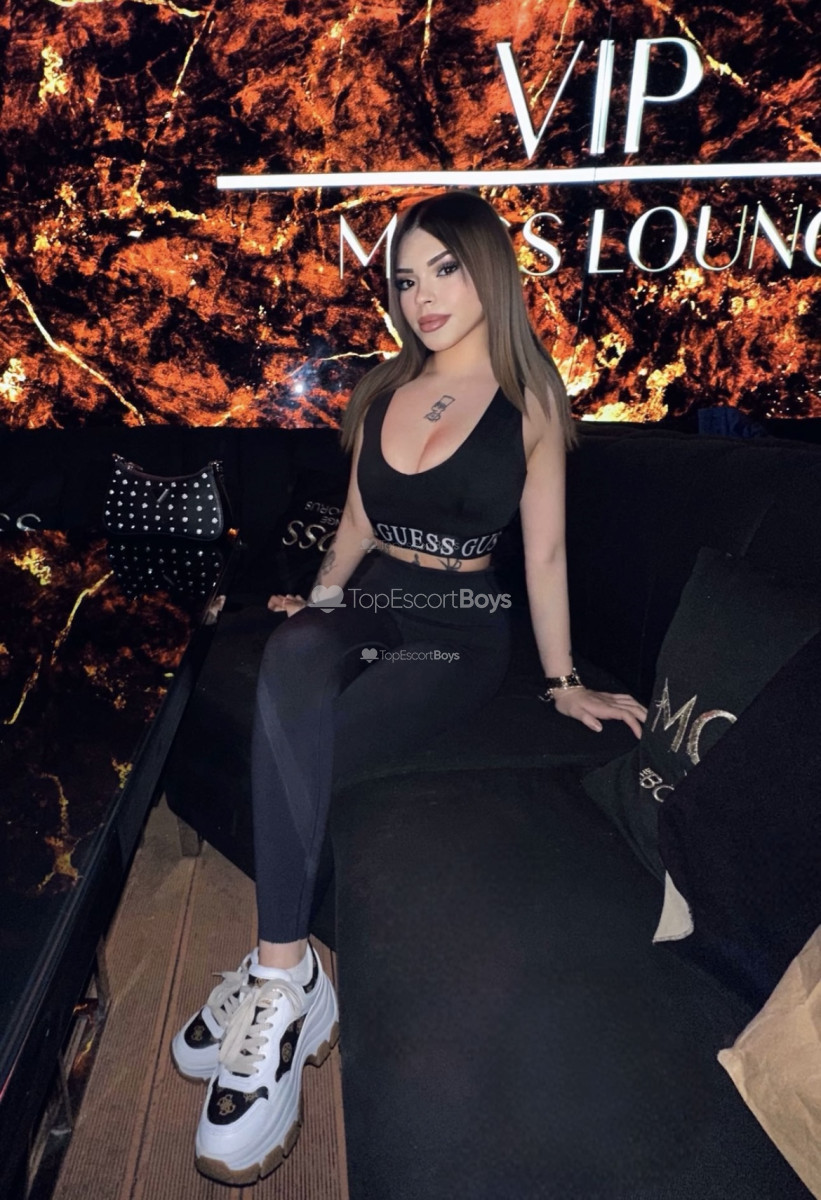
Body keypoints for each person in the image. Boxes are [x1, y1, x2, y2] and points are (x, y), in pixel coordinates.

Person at [170, 189, 648, 1184]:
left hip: (460, 623)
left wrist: (563, 681)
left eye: (444, 269)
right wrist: (319, 601)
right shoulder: (382, 388)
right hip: (375, 595)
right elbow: (355, 524)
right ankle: (288, 973)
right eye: (404, 278)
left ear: (488, 273)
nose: (422, 295)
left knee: (305, 749)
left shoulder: (529, 401)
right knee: (293, 654)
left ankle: (273, 976)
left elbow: (545, 554)